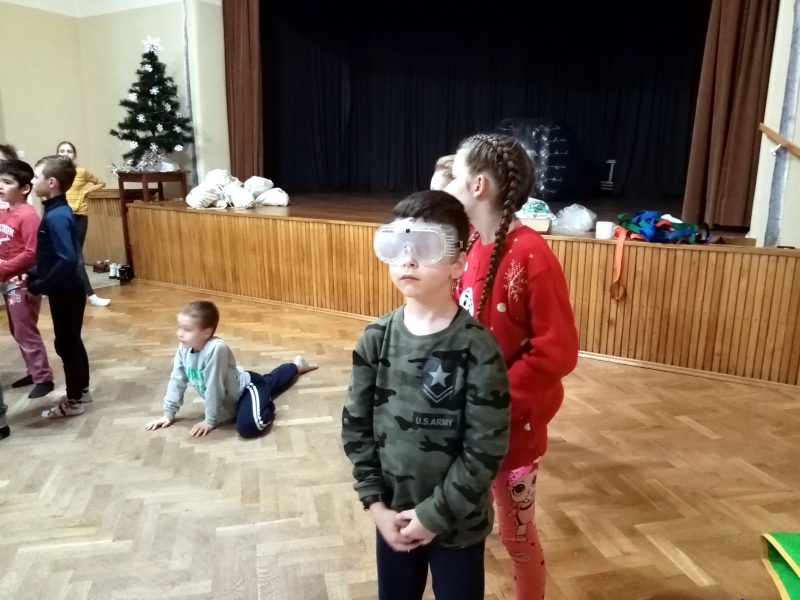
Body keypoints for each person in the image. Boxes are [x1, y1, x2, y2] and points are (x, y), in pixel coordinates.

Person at [342, 190, 511, 600]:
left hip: (458, 527)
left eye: (425, 247)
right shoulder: (375, 339)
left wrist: (434, 516)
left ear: (458, 263)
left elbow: (485, 449)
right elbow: (356, 427)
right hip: (393, 518)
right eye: (398, 247)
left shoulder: (478, 347)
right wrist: (376, 506)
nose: (408, 260)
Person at [445, 133, 579, 600]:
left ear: (478, 185)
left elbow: (556, 352)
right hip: (473, 423)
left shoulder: (530, 254)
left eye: (455, 177)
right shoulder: (474, 246)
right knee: (474, 519)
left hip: (512, 429)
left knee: (517, 537)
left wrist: (490, 400)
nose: (450, 186)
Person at [145, 301, 318, 438]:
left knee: (249, 427)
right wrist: (168, 414)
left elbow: (214, 386)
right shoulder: (185, 347)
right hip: (237, 387)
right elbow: (177, 380)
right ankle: (296, 366)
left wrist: (210, 420)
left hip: (247, 388)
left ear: (206, 333)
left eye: (187, 329)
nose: (179, 334)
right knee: (268, 382)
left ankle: (264, 402)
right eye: (179, 327)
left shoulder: (215, 348)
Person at [13, 156, 91, 418]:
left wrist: (39, 286)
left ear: (52, 182)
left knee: (66, 345)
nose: (32, 181)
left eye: (36, 177)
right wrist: (31, 274)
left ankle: (74, 401)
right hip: (66, 289)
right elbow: (50, 257)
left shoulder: (57, 215)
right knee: (71, 342)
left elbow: (67, 259)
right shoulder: (56, 210)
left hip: (66, 291)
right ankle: (82, 391)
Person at [0, 160, 54, 399]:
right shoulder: (4, 213)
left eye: (7, 182)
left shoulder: (28, 215)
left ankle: (44, 378)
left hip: (22, 282)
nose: (1, 186)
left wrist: (4, 268)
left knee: (25, 330)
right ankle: (33, 372)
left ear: (24, 188)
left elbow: (32, 253)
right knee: (17, 329)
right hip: (7, 279)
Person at [56, 141, 109, 307]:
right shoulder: (53, 173)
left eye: (69, 151)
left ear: (74, 155)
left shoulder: (81, 172)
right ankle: (84, 294)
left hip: (79, 217)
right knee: (68, 257)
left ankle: (87, 294)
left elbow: (101, 182)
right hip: (60, 219)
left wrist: (86, 191)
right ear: (57, 154)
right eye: (62, 151)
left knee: (76, 256)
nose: (65, 154)